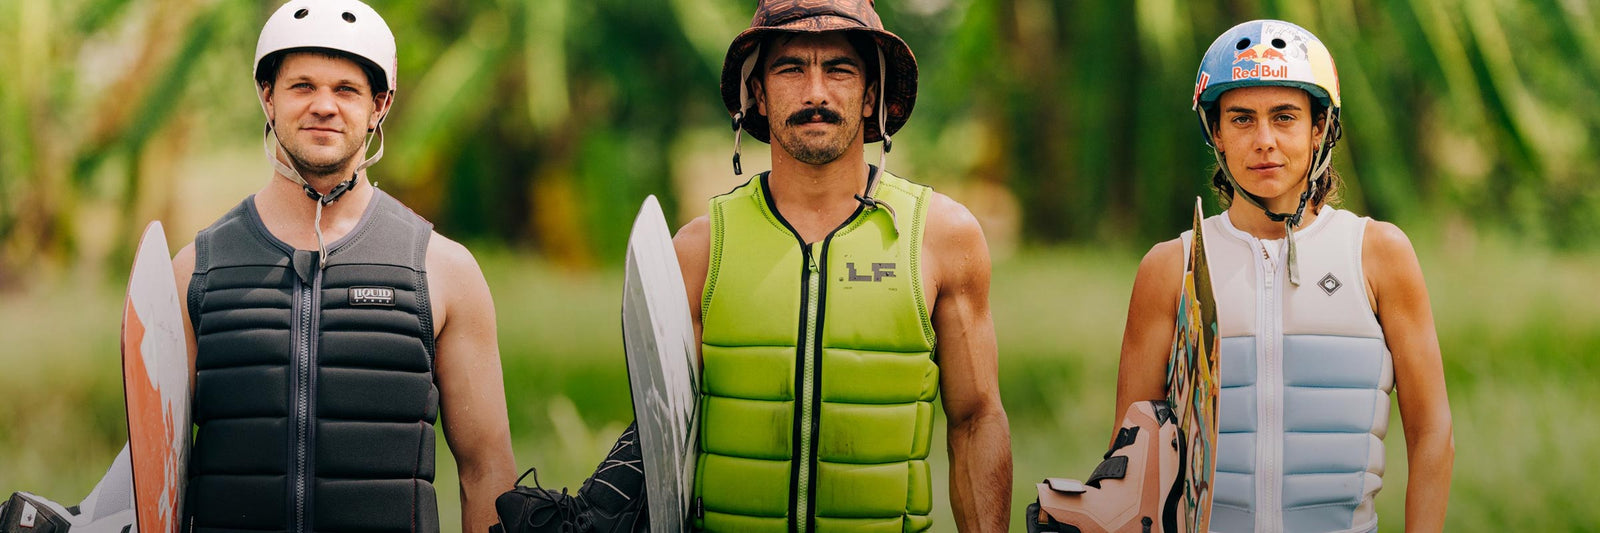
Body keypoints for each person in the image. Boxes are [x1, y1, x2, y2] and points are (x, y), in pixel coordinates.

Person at [499, 1, 1013, 532]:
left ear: (872, 96)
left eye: (839, 69)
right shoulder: (698, 251)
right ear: (759, 95)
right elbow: (665, 426)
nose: (816, 92)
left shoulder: (942, 238)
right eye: (791, 68)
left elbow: (976, 420)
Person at [170, 1, 515, 530]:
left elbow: (486, 470)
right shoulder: (194, 271)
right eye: (302, 86)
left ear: (380, 104)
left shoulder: (444, 271)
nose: (323, 106)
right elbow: (154, 469)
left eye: (346, 89)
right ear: (268, 97)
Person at [1112, 20, 1454, 532]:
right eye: (1242, 119)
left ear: (1320, 128)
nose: (1264, 141)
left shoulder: (1379, 254)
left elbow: (1432, 433)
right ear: (1217, 134)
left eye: (1285, 117)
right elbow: (1130, 455)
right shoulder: (1170, 267)